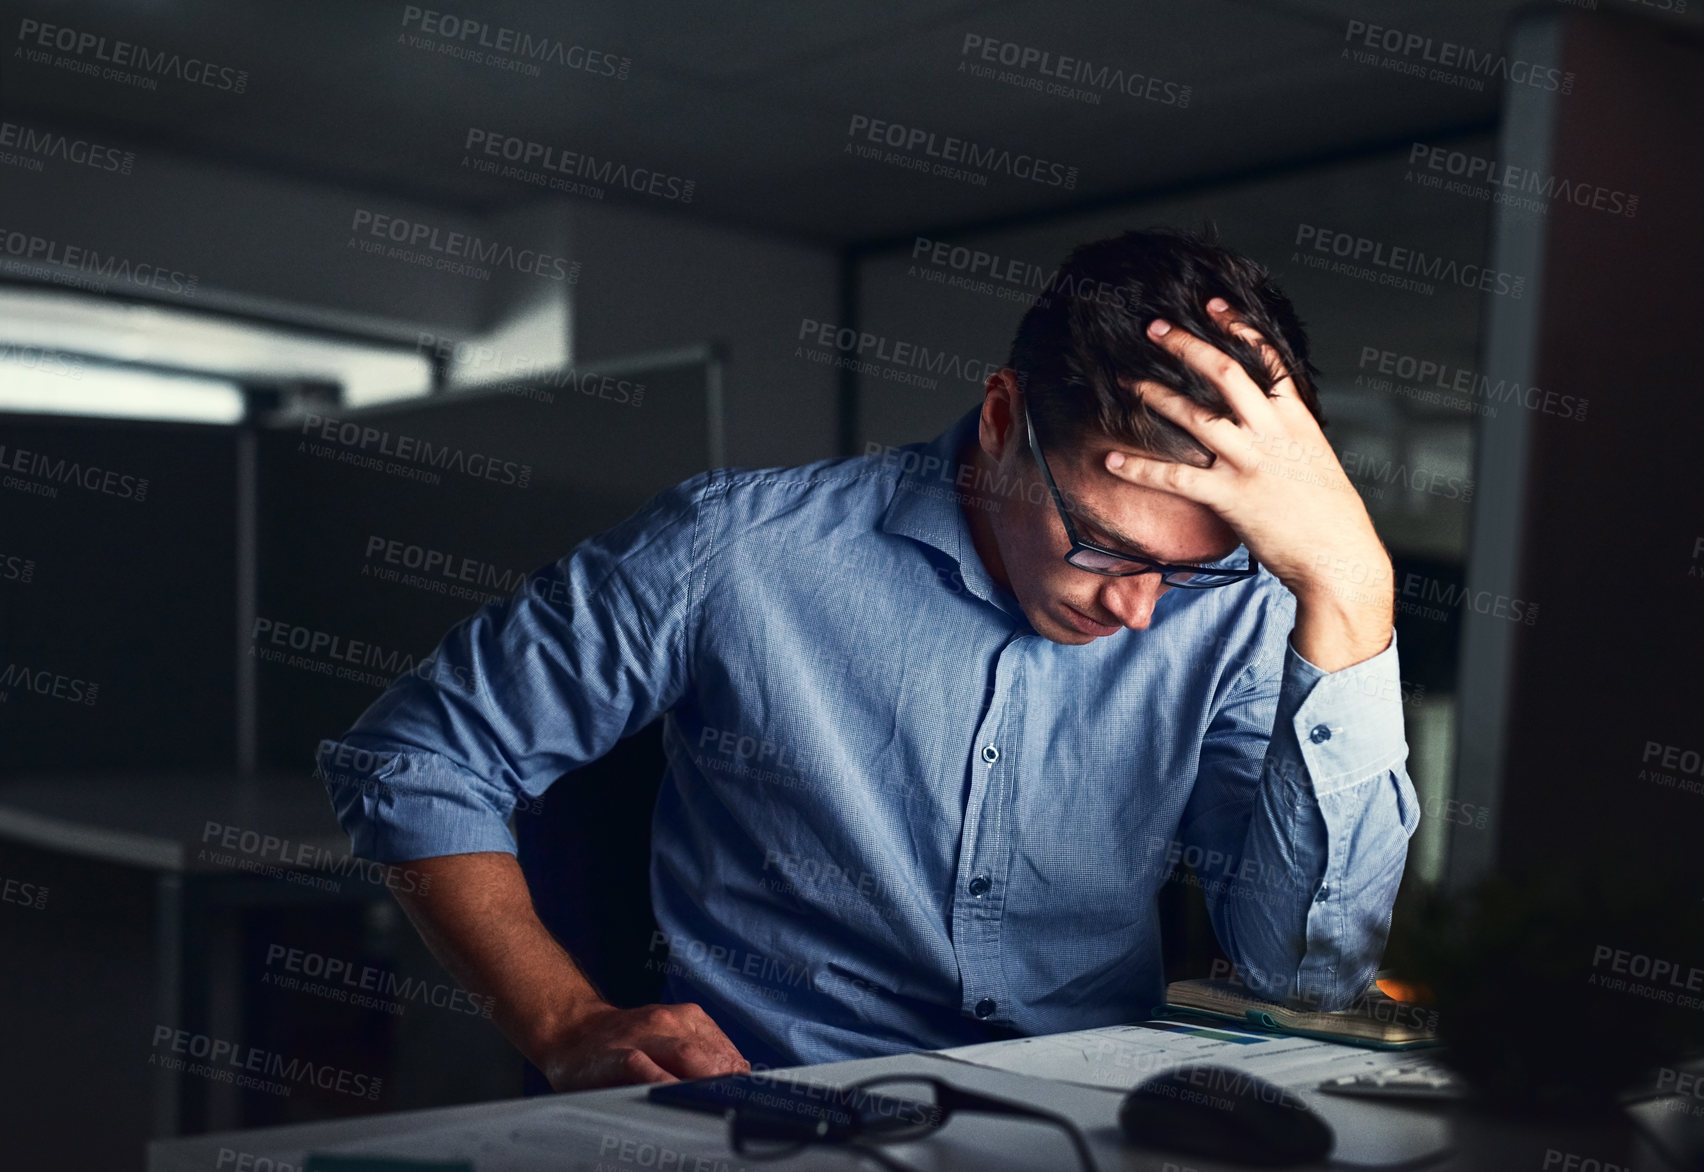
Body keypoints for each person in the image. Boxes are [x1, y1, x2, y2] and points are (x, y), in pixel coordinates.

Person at [316, 227, 1418, 1092]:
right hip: (771, 1107)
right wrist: (559, 1018)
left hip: (1078, 1121)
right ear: (1000, 418)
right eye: (1106, 545)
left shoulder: (1231, 610)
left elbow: (1303, 973)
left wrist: (1353, 591)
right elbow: (417, 758)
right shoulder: (734, 549)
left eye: (1194, 568)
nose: (1141, 610)